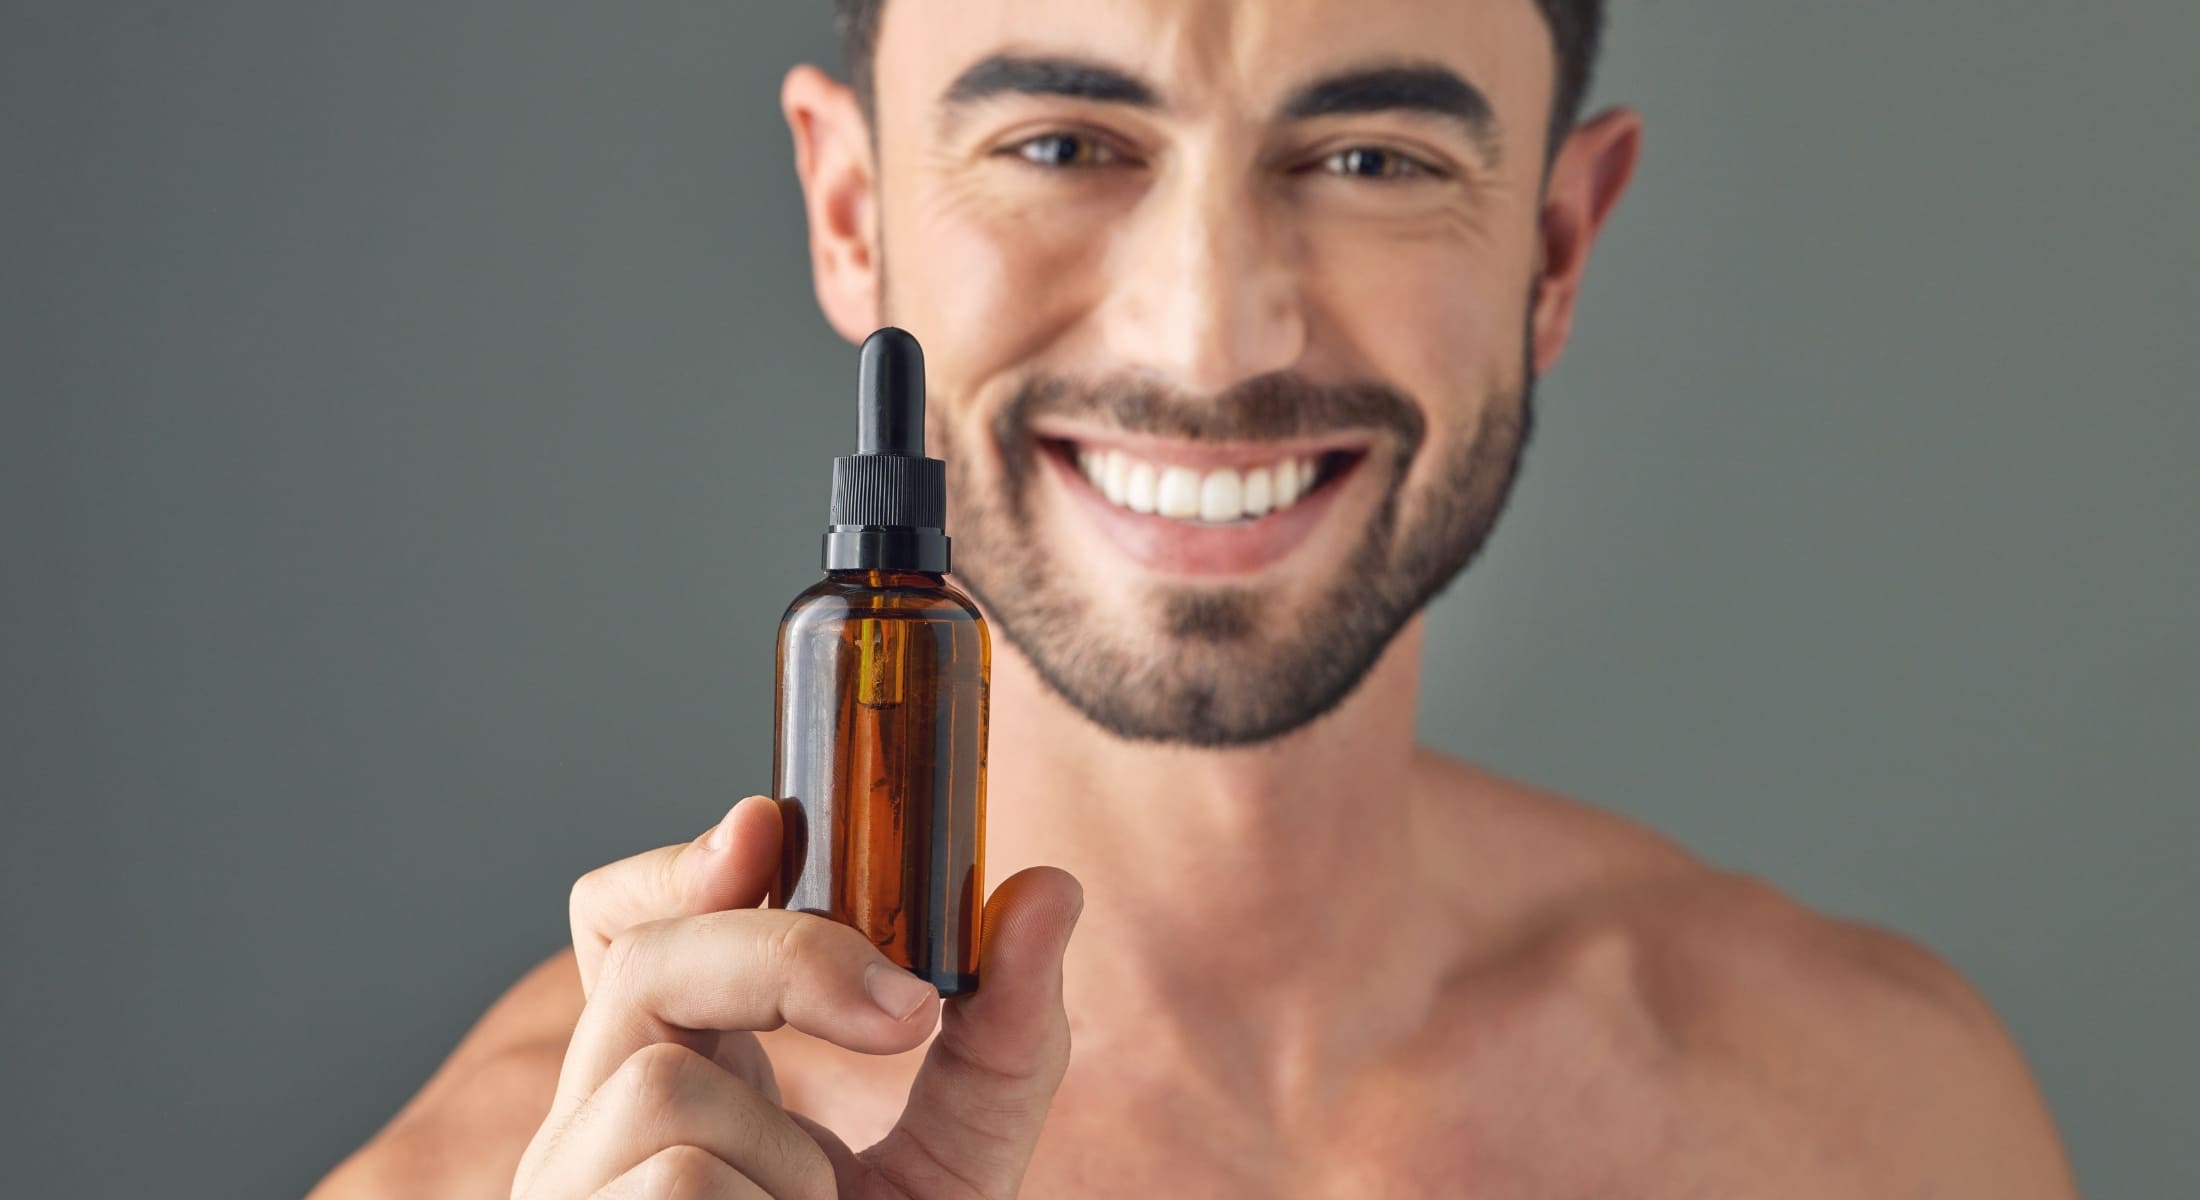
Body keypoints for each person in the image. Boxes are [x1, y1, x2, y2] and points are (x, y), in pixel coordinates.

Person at [312, 1, 2076, 1195]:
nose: (1213, 335)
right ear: (852, 213)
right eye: (1061, 144)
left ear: (1554, 251)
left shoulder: (1883, 1123)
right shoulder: (492, 1182)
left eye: (1374, 158)